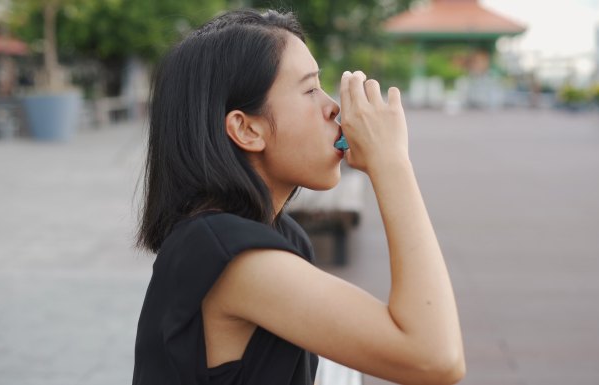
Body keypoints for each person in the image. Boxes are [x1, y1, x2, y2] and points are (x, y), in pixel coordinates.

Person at [133, 9, 465, 385]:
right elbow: (435, 357)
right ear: (246, 128)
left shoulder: (273, 235)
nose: (334, 108)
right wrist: (392, 164)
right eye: (309, 90)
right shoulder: (233, 260)